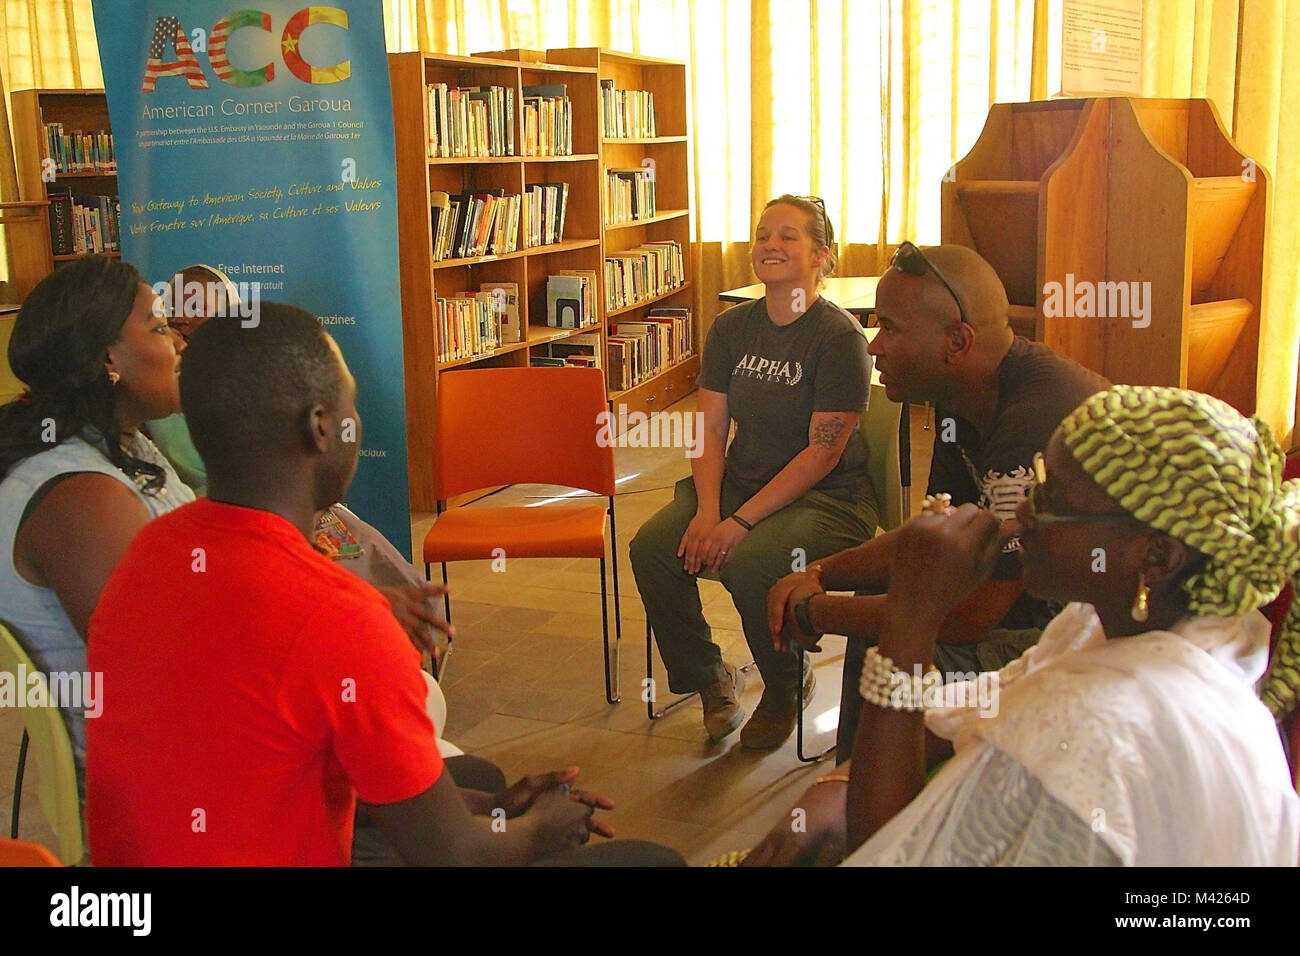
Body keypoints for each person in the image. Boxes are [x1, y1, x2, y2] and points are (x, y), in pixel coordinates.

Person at [87, 304, 682, 866]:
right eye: (353, 406)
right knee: (654, 861)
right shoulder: (339, 614)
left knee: (475, 784)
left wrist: (497, 814)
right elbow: (457, 857)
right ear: (321, 428)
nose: (357, 422)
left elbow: (272, 751)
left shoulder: (149, 551)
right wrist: (539, 828)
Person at [744, 386, 1299, 866]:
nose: (1024, 513)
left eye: (1053, 498)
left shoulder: (1098, 728)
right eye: (1038, 482)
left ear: (1156, 556)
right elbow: (994, 700)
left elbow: (885, 851)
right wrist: (839, 783)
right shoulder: (1148, 625)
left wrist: (911, 619)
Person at [767, 243, 1109, 761]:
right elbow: (936, 533)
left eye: (890, 328)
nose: (873, 347)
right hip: (1030, 610)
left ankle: (868, 799)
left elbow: (975, 617)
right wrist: (821, 572)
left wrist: (816, 613)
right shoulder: (962, 397)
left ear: (957, 342)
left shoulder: (1033, 417)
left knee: (890, 637)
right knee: (882, 607)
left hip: (1075, 638)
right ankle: (855, 793)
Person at [630, 195, 877, 749]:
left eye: (788, 236)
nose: (770, 244)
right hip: (741, 488)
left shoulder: (839, 339)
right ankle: (709, 678)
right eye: (763, 233)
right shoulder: (731, 328)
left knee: (750, 563)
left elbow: (823, 453)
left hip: (827, 500)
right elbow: (711, 428)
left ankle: (787, 686)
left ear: (821, 256)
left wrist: (736, 524)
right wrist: (710, 510)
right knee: (652, 547)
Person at [0, 255, 194, 770]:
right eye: (159, 327)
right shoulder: (80, 497)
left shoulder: (122, 449)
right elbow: (168, 663)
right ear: (109, 360)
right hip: (161, 781)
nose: (178, 343)